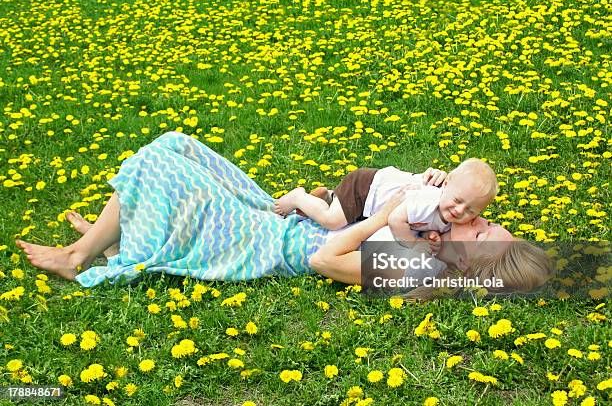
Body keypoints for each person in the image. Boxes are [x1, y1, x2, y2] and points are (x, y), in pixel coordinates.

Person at [15, 132, 551, 297]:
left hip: (272, 243)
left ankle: (81, 255)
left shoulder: (415, 268)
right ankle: (118, 235)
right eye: (485, 220)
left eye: (480, 229)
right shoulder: (433, 229)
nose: (474, 221)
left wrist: (382, 213)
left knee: (160, 166)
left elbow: (324, 259)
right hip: (289, 220)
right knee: (177, 146)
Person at [273, 160, 498, 254]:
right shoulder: (429, 200)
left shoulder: (450, 213)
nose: (460, 212)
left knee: (344, 216)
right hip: (366, 189)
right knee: (333, 221)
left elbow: (430, 225)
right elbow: (396, 219)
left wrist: (430, 234)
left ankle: (328, 197)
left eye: (471, 211)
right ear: (446, 184)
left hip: (371, 200)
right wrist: (413, 244)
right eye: (458, 201)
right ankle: (298, 197)